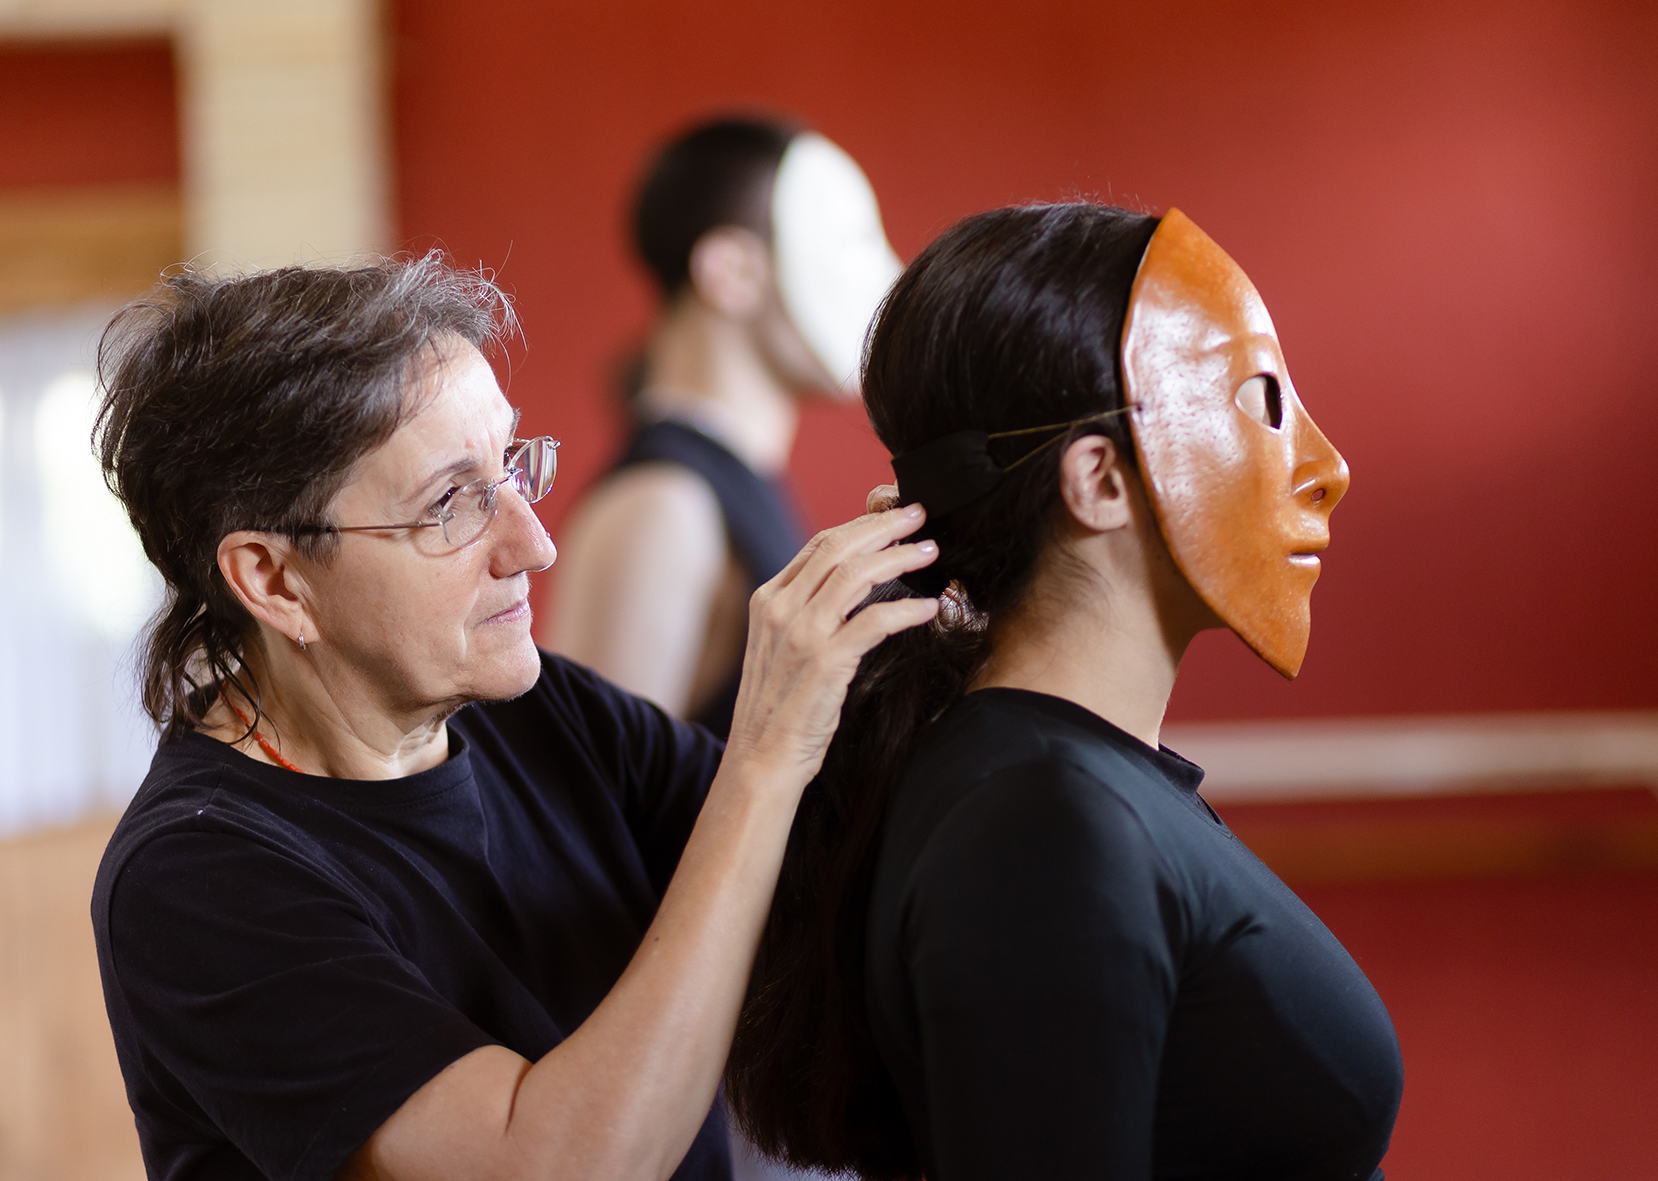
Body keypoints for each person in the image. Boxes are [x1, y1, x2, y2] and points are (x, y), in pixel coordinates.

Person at [87, 255, 941, 1181]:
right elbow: (558, 1164)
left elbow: (827, 864)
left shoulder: (539, 711)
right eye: (450, 504)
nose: (532, 543)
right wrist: (766, 753)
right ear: (275, 580)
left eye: (511, 468)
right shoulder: (196, 875)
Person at [727, 203, 1404, 1181]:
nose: (1324, 468)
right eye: (1259, 402)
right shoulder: (1041, 825)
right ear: (1097, 481)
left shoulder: (1058, 784)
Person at [552, 117, 902, 736]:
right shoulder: (664, 503)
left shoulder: (726, 485)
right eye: (846, 241)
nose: (888, 273)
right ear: (731, 270)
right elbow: (594, 809)